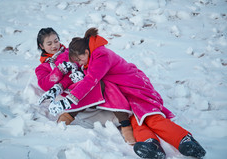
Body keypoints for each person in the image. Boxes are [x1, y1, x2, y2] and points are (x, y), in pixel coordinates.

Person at [43, 27, 206, 159]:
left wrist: (69, 101)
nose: (79, 64)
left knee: (151, 117)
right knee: (135, 119)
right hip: (124, 90)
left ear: (86, 52)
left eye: (79, 60)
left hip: (136, 87)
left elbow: (91, 81)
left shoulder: (101, 56)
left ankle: (184, 140)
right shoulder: (91, 58)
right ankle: (150, 144)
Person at [35, 27, 136, 144]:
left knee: (108, 84)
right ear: (41, 46)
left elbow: (83, 63)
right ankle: (70, 114)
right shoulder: (42, 68)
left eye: (56, 41)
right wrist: (60, 70)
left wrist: (79, 71)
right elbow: (45, 84)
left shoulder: (69, 51)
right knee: (98, 85)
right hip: (74, 91)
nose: (54, 45)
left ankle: (125, 123)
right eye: (49, 43)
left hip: (87, 81)